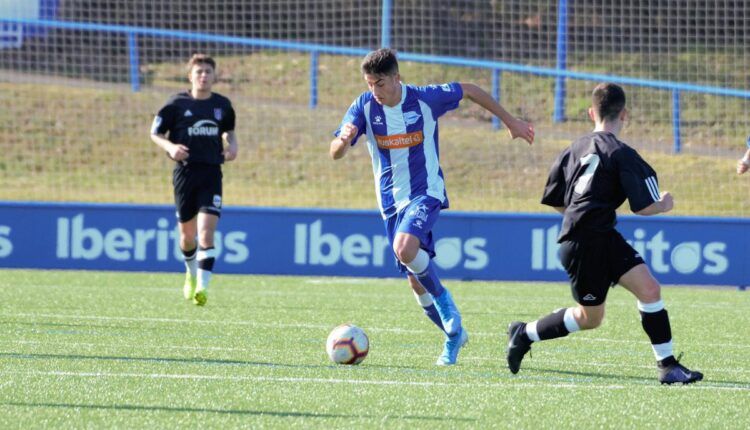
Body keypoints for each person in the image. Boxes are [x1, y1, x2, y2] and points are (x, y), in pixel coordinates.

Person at [330, 48, 534, 365]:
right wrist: (342, 141)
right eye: (370, 84)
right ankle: (453, 337)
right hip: (390, 205)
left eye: (380, 83)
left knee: (404, 247)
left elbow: (469, 90)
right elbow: (334, 153)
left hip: (427, 192)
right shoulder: (364, 106)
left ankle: (445, 301)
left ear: (397, 78)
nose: (375, 91)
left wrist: (510, 121)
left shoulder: (425, 99)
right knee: (414, 277)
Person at [506, 83, 703, 384]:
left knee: (650, 290)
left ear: (591, 113)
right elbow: (644, 206)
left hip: (599, 236)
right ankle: (526, 332)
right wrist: (664, 204)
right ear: (625, 114)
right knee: (590, 318)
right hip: (585, 244)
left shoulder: (572, 149)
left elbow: (558, 201)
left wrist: (584, 216)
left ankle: (668, 366)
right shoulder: (622, 153)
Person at [150, 53, 238, 306]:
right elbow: (155, 133)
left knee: (206, 233)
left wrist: (232, 147)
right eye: (198, 72)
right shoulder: (175, 104)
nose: (203, 76)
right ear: (190, 76)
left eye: (208, 72)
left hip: (211, 172)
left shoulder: (222, 105)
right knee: (187, 237)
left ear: (214, 76)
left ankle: (203, 287)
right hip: (185, 173)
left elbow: (229, 133)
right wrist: (170, 147)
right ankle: (190, 273)